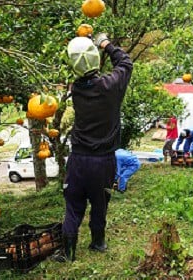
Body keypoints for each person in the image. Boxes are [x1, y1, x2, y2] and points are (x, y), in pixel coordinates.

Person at [57, 33, 133, 262]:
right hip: (103, 160)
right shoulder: (112, 86)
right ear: (96, 60)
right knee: (99, 203)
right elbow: (126, 63)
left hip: (79, 159)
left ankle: (67, 251)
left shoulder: (77, 89)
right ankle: (97, 242)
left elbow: (85, 73)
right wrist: (105, 44)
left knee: (73, 205)